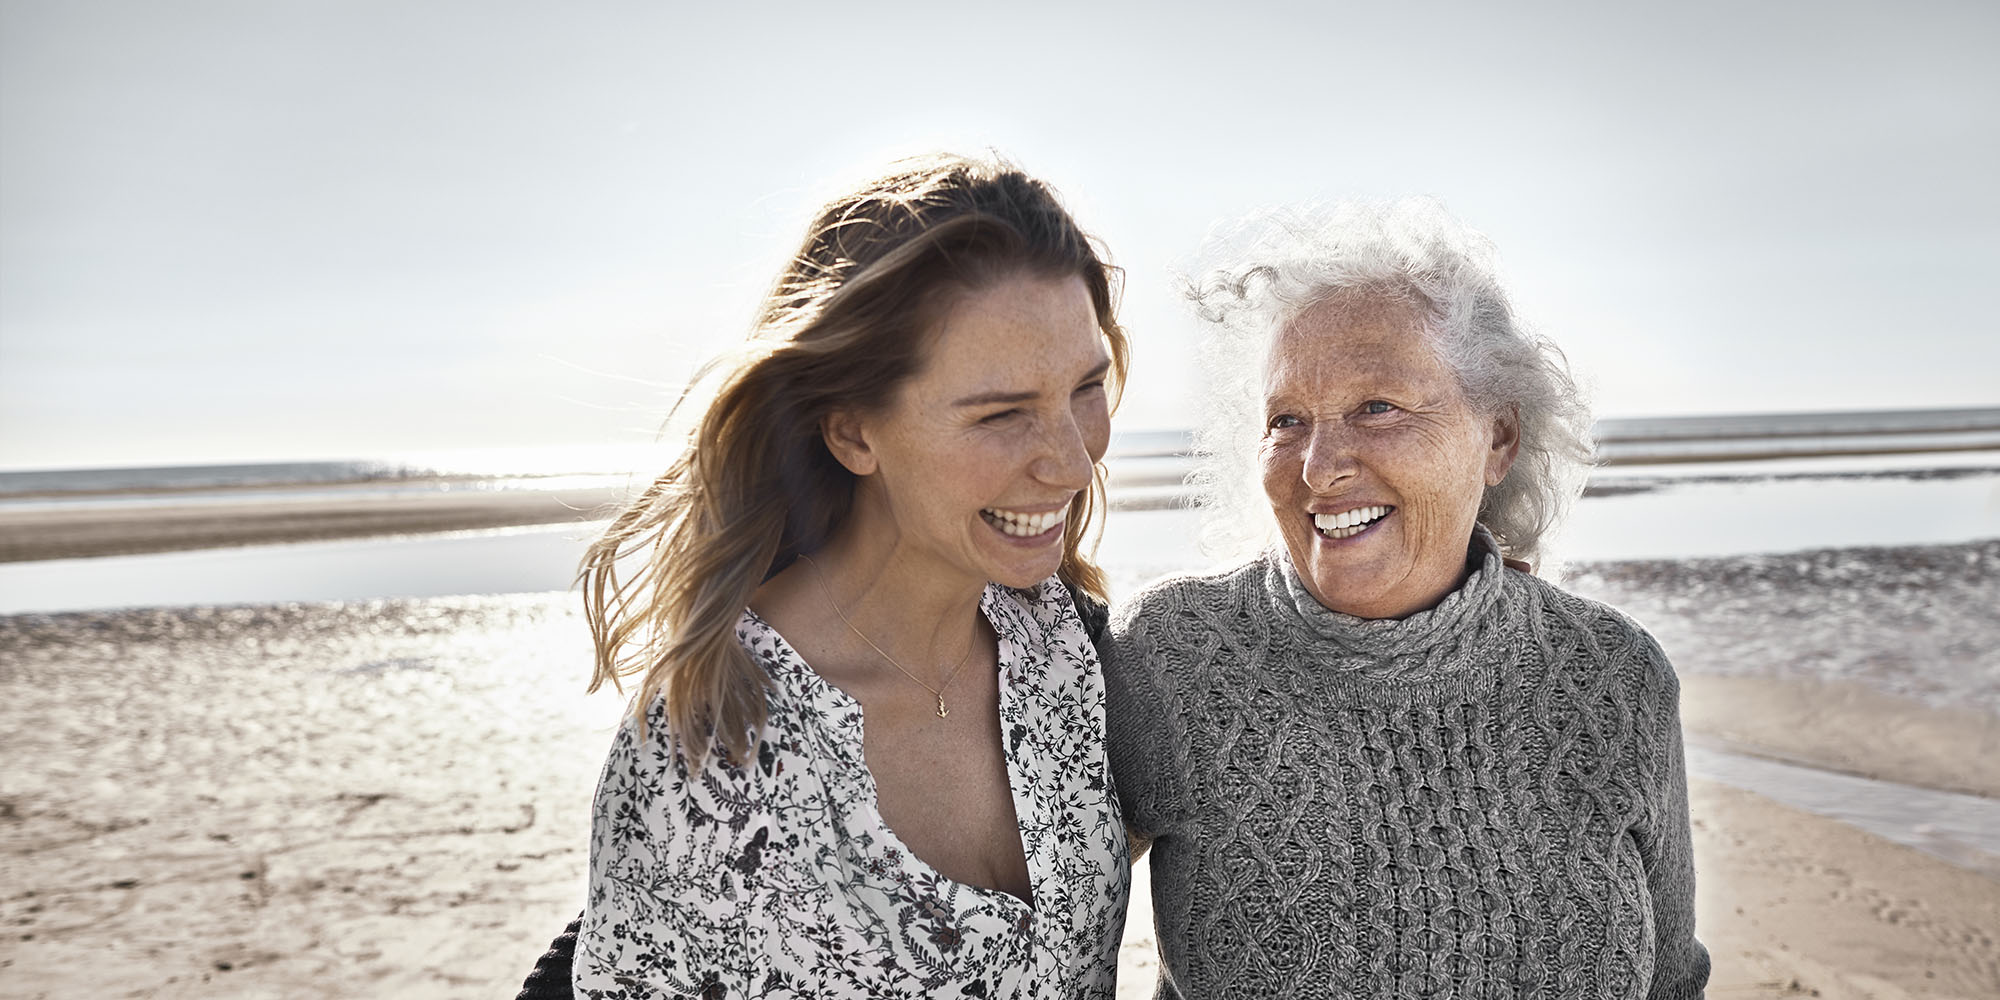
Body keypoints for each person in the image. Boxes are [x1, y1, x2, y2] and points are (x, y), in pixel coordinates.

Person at [1105, 200, 1709, 998]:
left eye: (1377, 407)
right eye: (1286, 420)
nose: (1319, 467)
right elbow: (1042, 941)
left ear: (1498, 438)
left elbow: (1672, 982)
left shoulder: (1613, 676)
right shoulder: (1172, 653)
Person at [565, 154, 1132, 999]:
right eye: (1003, 414)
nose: (1071, 460)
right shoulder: (710, 753)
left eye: (1086, 388)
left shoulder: (1067, 645)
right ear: (853, 434)